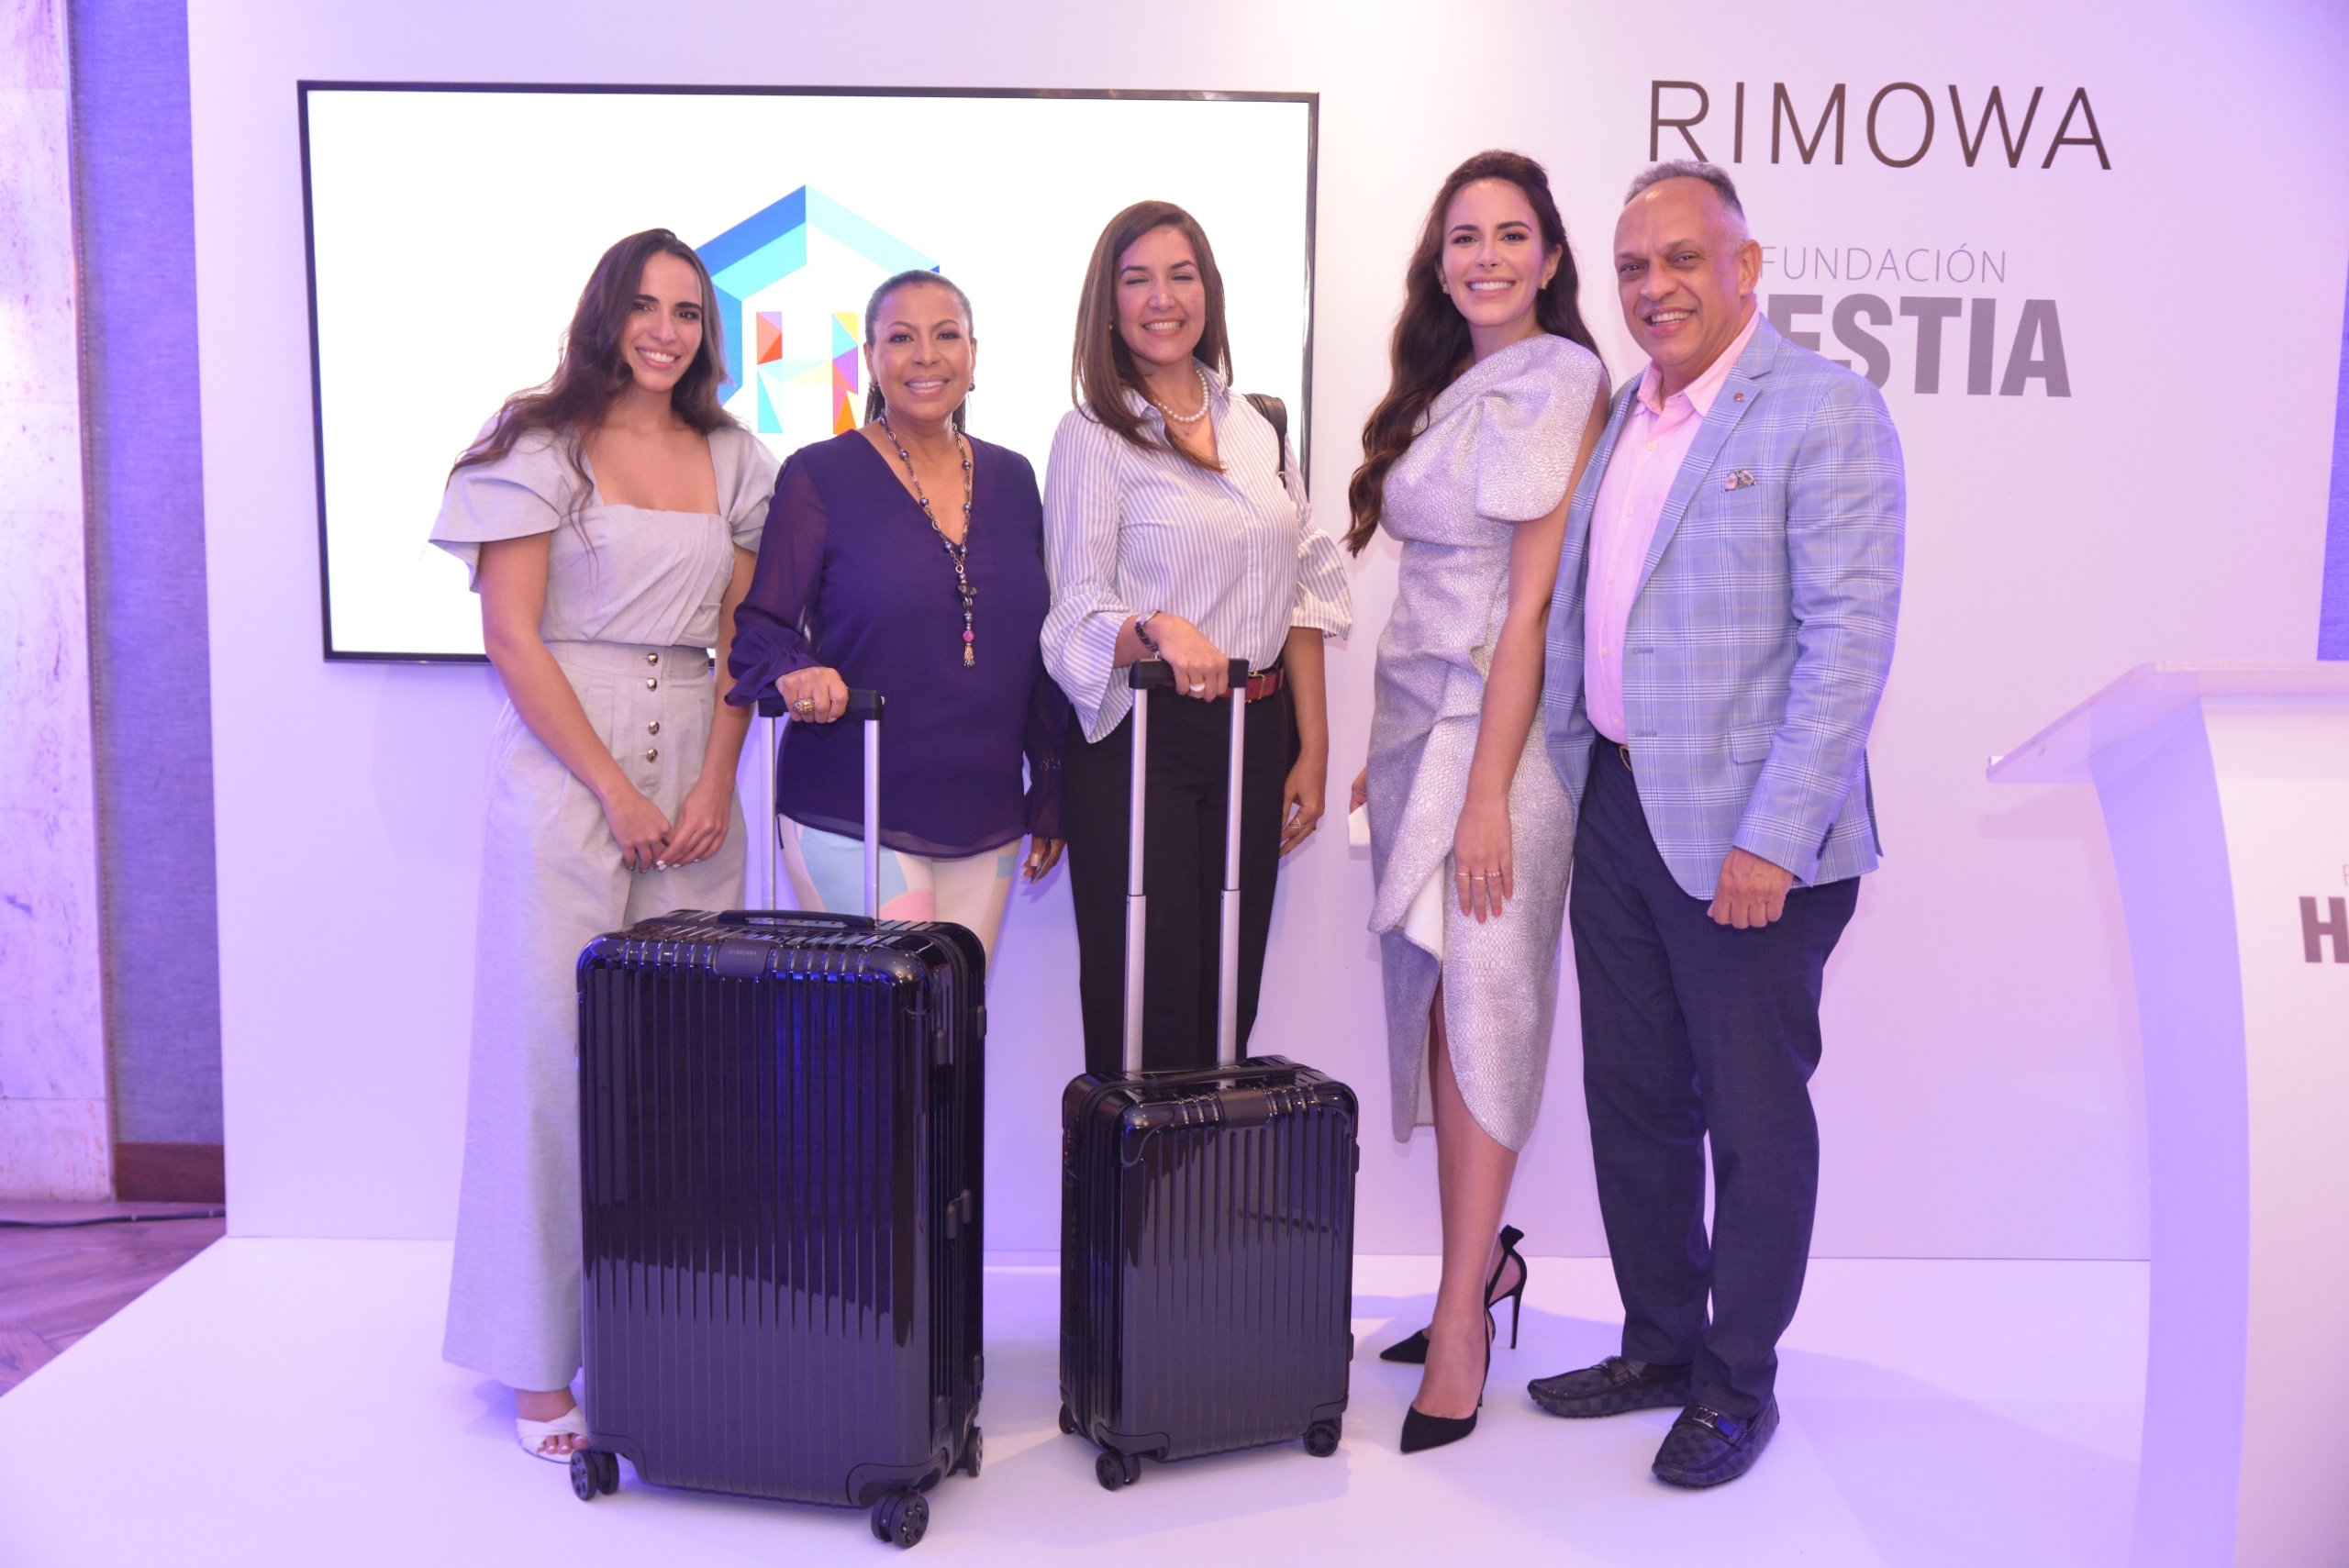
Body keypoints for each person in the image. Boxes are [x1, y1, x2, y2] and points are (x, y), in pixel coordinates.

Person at [1531, 161, 1904, 1487]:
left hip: (1753, 841)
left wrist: (1775, 837)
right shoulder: (1628, 416)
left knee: (1751, 1117)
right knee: (1633, 1098)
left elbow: (1847, 642)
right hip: (1619, 806)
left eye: (1683, 259)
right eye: (1634, 267)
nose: (1656, 287)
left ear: (1747, 267)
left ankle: (1738, 1383)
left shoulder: (1825, 410)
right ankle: (1661, 1344)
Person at [431, 229, 779, 1461]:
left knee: (687, 1068)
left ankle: (670, 1335)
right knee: (547, 1062)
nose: (665, 330)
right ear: (605, 314)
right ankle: (537, 1365)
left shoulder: (736, 458)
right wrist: (612, 790)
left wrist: (716, 780)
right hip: (565, 770)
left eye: (687, 310)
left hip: (696, 770)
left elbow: (746, 635)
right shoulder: (538, 446)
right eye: (645, 304)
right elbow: (513, 638)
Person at [1344, 151, 1609, 1454]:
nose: (1487, 257)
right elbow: (1426, 595)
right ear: (1439, 260)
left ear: (1550, 258)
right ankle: (1479, 1266)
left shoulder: (1565, 379)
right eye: (1464, 236)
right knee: (1446, 1006)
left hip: (1504, 742)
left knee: (1488, 1007)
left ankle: (1460, 1324)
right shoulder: (1447, 382)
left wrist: (1490, 792)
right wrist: (1387, 755)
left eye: (1511, 235)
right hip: (1418, 731)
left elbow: (1530, 610)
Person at [1042, 199, 1351, 1076]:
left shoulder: (1257, 426)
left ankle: (1200, 1169)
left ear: (1208, 292)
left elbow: (1304, 584)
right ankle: (1129, 1171)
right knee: (1147, 1002)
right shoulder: (1092, 435)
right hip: (1145, 738)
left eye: (1181, 276)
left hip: (1257, 735)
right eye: (1137, 279)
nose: (1162, 298)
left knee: (1226, 1004)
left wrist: (1313, 748)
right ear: (1107, 305)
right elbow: (1073, 613)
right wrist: (1154, 628)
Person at [729, 270, 1064, 962]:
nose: (926, 356)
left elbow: (1036, 651)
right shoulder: (819, 474)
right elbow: (761, 628)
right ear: (872, 358)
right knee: (889, 1014)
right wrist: (798, 670)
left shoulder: (1015, 478)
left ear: (974, 354)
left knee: (952, 1016)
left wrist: (1051, 784)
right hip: (854, 803)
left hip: (987, 810)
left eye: (946, 335)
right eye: (902, 338)